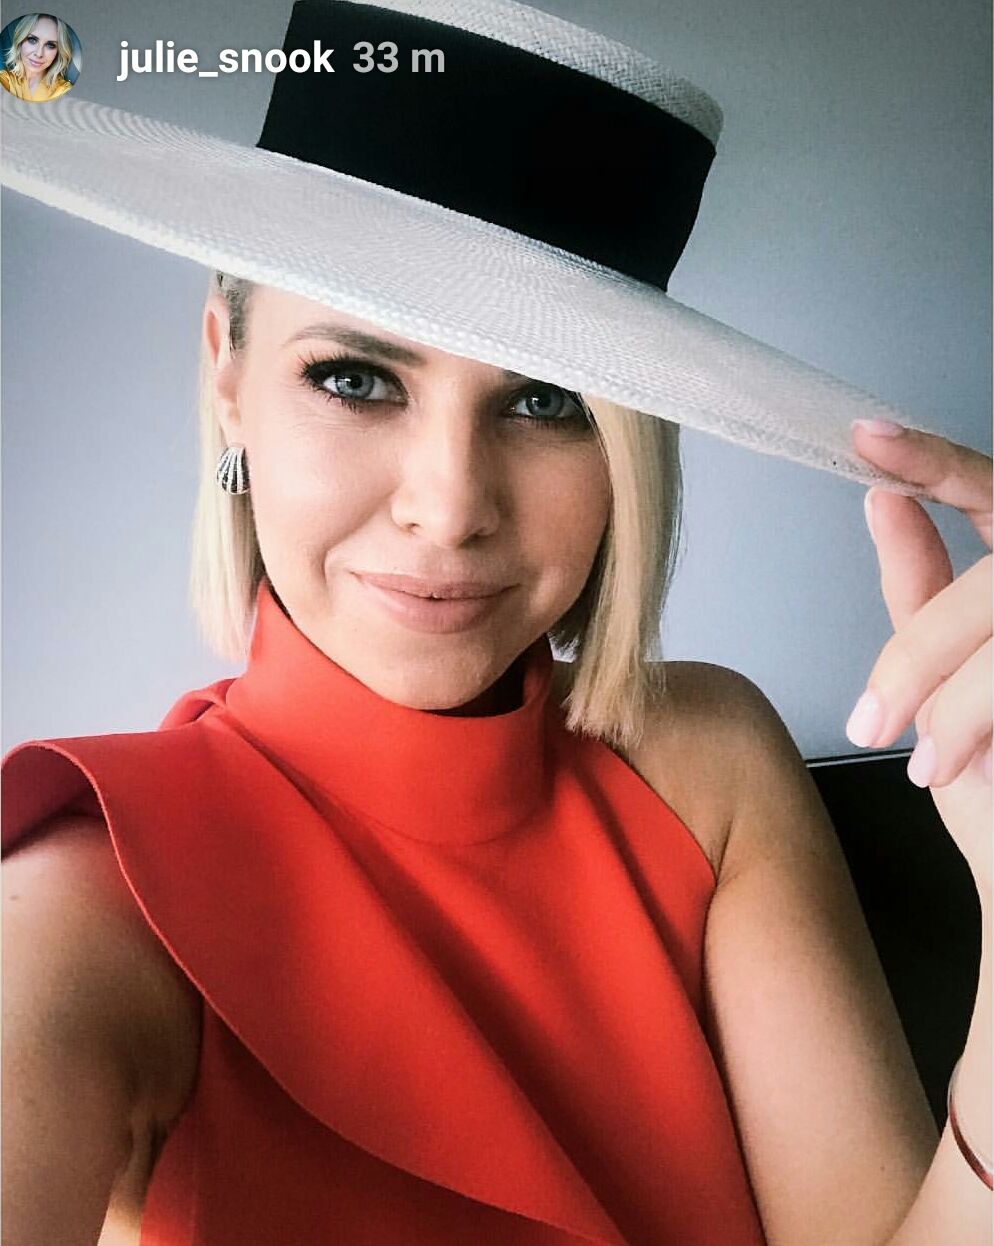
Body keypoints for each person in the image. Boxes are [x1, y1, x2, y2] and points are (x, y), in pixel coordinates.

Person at [1, 1, 991, 1243]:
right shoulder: (82, 909)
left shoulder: (708, 760)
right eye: (355, 378)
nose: (451, 506)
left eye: (545, 400)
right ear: (228, 374)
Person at [0, 12, 74, 103]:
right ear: (20, 42)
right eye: (32, 40)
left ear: (58, 52)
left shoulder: (64, 90)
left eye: (50, 45)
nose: (39, 54)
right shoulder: (5, 80)